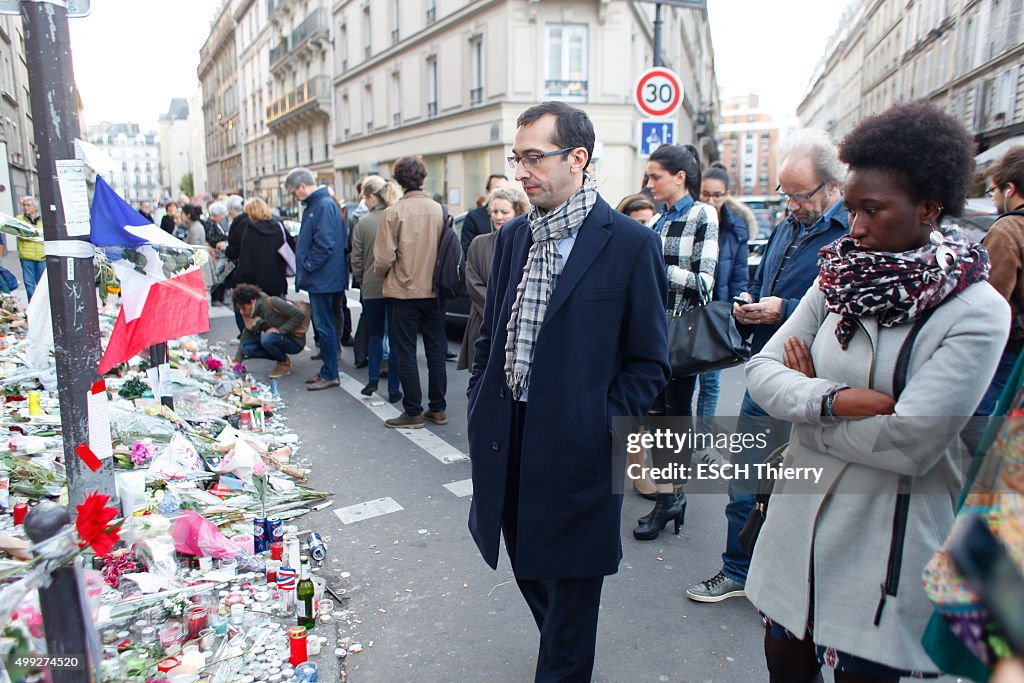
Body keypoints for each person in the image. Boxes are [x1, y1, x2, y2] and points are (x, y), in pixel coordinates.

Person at [745, 101, 1008, 683]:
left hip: (885, 546)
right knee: (783, 666)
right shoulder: (835, 276)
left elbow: (913, 443)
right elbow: (762, 373)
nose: (856, 227)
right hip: (794, 527)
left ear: (929, 208)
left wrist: (807, 399)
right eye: (850, 209)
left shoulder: (977, 310)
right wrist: (832, 400)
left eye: (872, 210)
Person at [467, 102, 669, 682]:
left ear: (577, 158)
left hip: (581, 442)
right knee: (527, 562)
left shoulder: (628, 243)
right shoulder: (512, 239)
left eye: (534, 157)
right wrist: (481, 398)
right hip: (509, 435)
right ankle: (560, 651)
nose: (521, 171)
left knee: (575, 584)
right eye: (517, 158)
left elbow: (650, 361)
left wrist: (600, 423)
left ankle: (561, 666)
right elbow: (493, 334)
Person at [687, 128, 850, 604]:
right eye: (786, 193)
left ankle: (788, 584)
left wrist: (785, 308)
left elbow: (843, 308)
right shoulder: (786, 226)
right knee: (745, 481)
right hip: (767, 370)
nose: (791, 204)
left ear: (832, 187)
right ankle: (738, 570)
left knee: (799, 489)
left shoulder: (851, 231)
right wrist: (753, 304)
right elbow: (764, 280)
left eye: (800, 195)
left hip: (815, 380)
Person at [632, 143, 719, 542]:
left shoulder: (703, 215)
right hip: (651, 333)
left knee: (673, 417)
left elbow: (704, 284)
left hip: (681, 334)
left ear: (679, 178)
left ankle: (670, 498)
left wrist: (658, 268)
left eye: (656, 176)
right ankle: (669, 497)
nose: (649, 184)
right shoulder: (657, 223)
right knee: (654, 418)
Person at [373, 156, 449, 428]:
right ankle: (438, 408)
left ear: (398, 181)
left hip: (404, 291)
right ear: (423, 178)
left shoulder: (393, 213)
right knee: (435, 350)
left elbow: (382, 259)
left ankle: (413, 411)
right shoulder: (440, 210)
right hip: (435, 290)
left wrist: (383, 275)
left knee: (405, 351)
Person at [693, 164, 749, 460]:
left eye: (717, 195)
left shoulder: (736, 227)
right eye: (706, 194)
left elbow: (739, 275)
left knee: (711, 383)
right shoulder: (693, 220)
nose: (711, 200)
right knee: (679, 379)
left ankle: (702, 443)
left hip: (718, 313)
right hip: (689, 311)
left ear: (727, 195)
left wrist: (734, 309)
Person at [287, 167, 348, 391]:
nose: (294, 197)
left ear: (302, 186)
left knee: (325, 326)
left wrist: (308, 264)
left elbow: (325, 243)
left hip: (322, 278)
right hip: (325, 277)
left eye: (294, 192)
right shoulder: (322, 204)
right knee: (326, 325)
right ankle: (329, 370)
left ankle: (331, 373)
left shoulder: (321, 206)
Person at [457, 187, 529, 370]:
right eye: (494, 211)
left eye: (504, 212)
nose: (498, 216)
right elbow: (472, 284)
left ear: (518, 212)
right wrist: (499, 312)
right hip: (482, 324)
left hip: (517, 327)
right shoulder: (478, 243)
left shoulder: (529, 244)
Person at [976, 146, 1024, 416]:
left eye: (992, 191)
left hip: (1012, 347)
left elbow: (992, 297)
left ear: (1009, 189)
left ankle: (987, 458)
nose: (993, 198)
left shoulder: (1008, 228)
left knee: (977, 415)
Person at [350, 175, 403, 402]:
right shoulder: (398, 217)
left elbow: (357, 259)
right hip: (396, 285)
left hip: (371, 286)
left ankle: (372, 380)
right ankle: (393, 388)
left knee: (375, 334)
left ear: (373, 197)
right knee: (395, 338)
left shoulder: (363, 223)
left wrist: (363, 281)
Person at [233, 283, 306, 379]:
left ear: (251, 302)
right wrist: (237, 361)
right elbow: (246, 334)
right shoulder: (250, 311)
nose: (242, 311)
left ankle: (283, 364)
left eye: (243, 308)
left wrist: (280, 330)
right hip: (276, 338)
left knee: (267, 338)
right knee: (246, 348)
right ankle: (279, 355)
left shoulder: (273, 302)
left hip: (294, 341)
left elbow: (299, 315)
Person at [226, 197, 290, 298]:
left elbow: (245, 260)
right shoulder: (278, 228)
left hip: (255, 285)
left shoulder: (250, 231)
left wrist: (238, 280)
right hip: (277, 282)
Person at [460, 174, 510, 253]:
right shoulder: (473, 217)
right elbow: (467, 251)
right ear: (487, 191)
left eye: (504, 190)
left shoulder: (516, 216)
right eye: (497, 190)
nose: (499, 217)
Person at [15, 196, 44, 301]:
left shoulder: (43, 219)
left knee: (42, 285)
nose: (26, 208)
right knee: (29, 285)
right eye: (24, 205)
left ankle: (42, 308)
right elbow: (21, 234)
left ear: (35, 207)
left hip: (41, 256)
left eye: (28, 205)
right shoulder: (19, 219)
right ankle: (32, 307)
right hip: (26, 256)